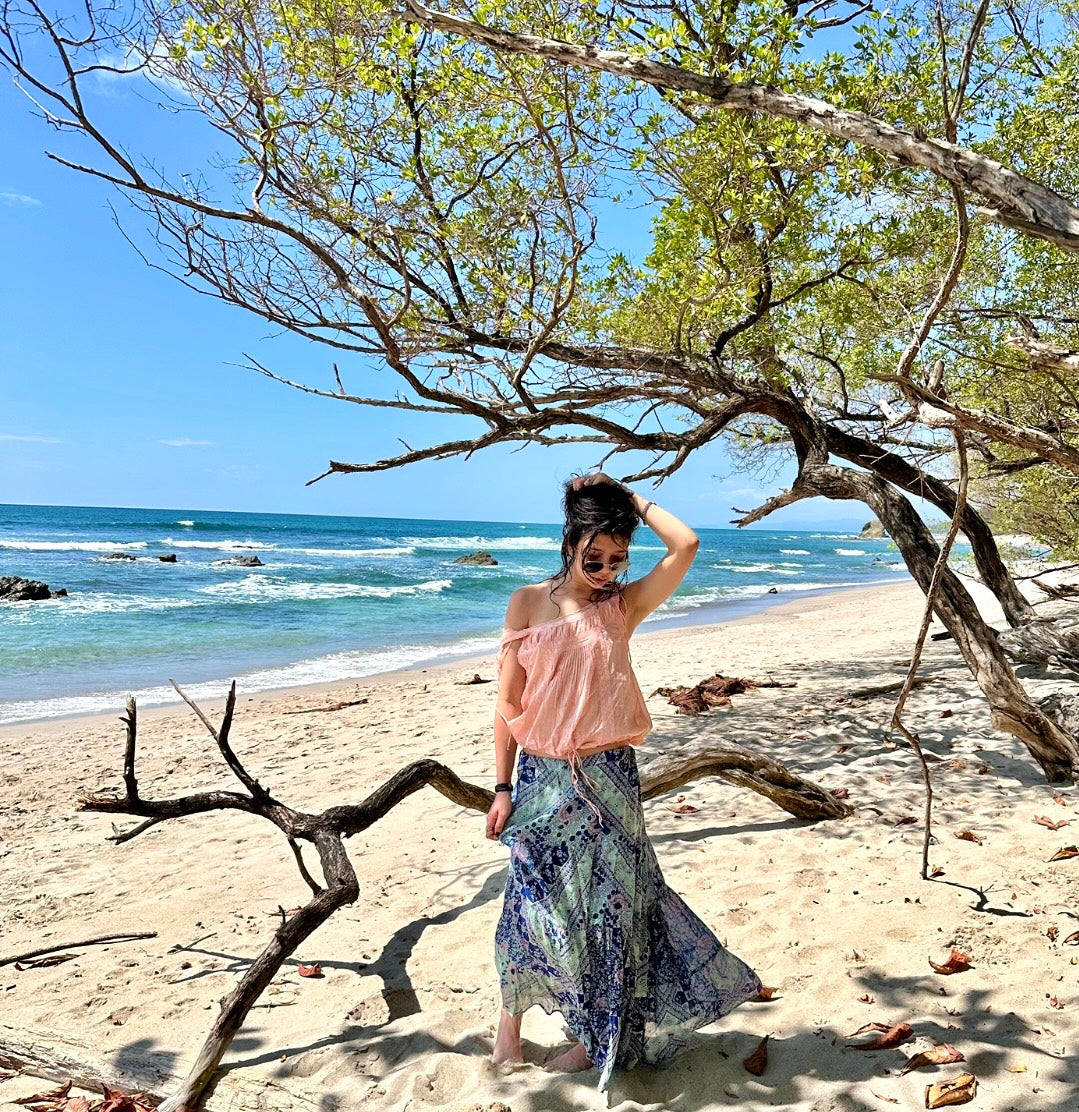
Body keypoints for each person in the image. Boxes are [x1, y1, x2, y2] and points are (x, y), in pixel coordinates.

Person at [485, 473, 761, 1090]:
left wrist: (628, 497)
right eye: (595, 557)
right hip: (541, 779)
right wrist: (502, 787)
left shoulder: (623, 607)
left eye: (617, 560)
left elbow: (685, 544)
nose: (606, 570)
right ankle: (508, 1028)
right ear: (570, 539)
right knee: (530, 900)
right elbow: (507, 705)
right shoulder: (526, 603)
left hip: (609, 778)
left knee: (611, 910)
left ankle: (594, 1036)